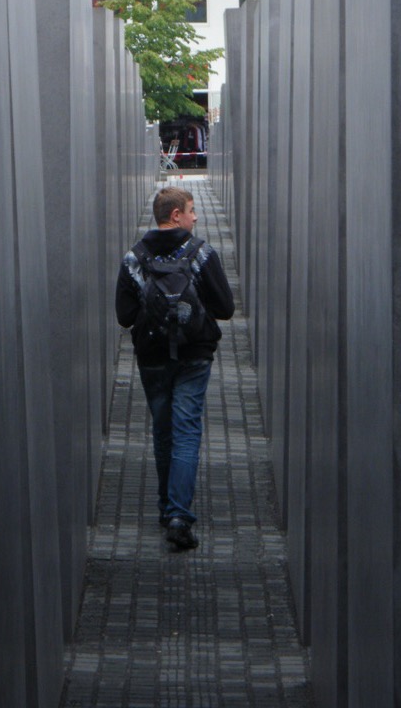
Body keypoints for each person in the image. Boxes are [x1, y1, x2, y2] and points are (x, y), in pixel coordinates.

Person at [116, 186, 235, 551]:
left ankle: (167, 510)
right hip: (194, 355)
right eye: (192, 210)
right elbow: (226, 308)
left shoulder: (134, 258)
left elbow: (125, 317)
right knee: (187, 432)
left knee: (164, 433)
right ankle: (180, 514)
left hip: (152, 357)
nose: (196, 217)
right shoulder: (202, 253)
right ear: (176, 216)